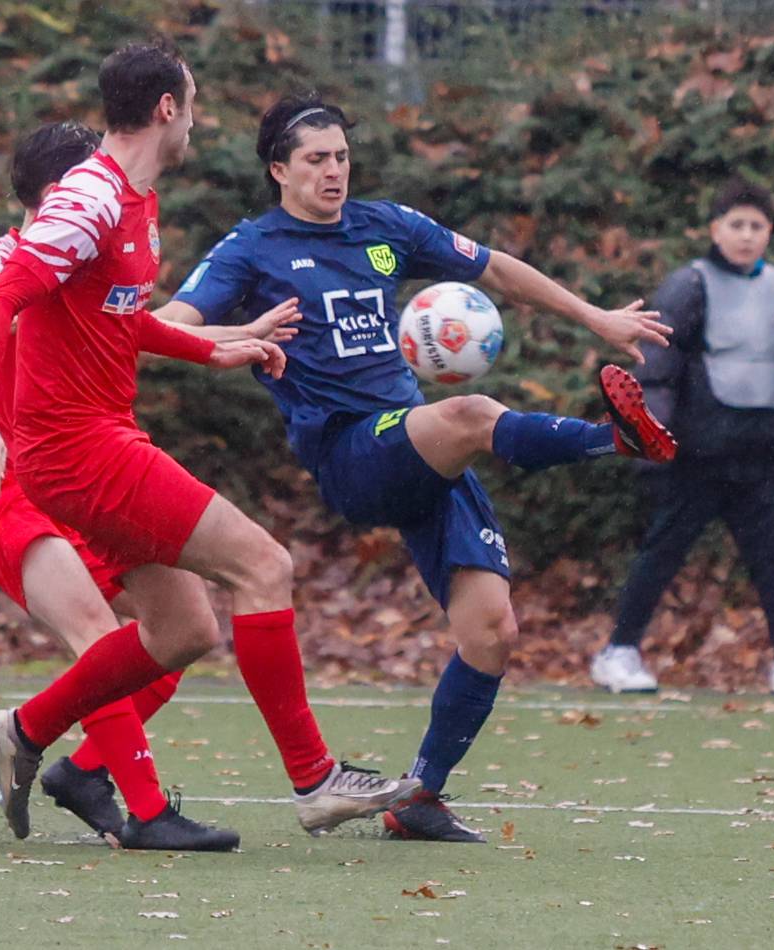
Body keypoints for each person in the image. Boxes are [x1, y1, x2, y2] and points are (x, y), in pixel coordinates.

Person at [158, 93, 677, 843]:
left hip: (418, 443)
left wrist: (597, 317)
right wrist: (241, 334)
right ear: (278, 169)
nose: (334, 171)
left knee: (492, 632)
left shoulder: (384, 226)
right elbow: (168, 326)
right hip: (351, 452)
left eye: (340, 156)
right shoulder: (251, 248)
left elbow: (496, 268)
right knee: (471, 413)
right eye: (315, 159)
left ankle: (420, 797)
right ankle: (614, 441)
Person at [0, 44, 418, 852]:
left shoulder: (138, 199)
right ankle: (314, 781)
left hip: (100, 436)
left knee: (183, 633)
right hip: (76, 447)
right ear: (168, 108)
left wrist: (222, 347)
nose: (199, 119)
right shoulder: (90, 200)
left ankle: (25, 734)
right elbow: (1, 301)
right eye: (194, 103)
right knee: (263, 566)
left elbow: (120, 318)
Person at [0, 120, 301, 850]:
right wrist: (30, 318)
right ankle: (147, 813)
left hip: (72, 471)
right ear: (56, 194)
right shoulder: (9, 262)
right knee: (95, 633)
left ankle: (72, 766)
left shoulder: (88, 271)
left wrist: (226, 339)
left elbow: (135, 327)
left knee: (182, 632)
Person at [590, 177, 774, 696]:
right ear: (715, 229)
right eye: (735, 224)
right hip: (697, 454)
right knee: (663, 552)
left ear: (769, 233)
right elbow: (659, 369)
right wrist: (651, 446)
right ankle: (618, 652)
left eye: (756, 226)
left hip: (761, 451)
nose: (745, 235)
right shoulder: (689, 285)